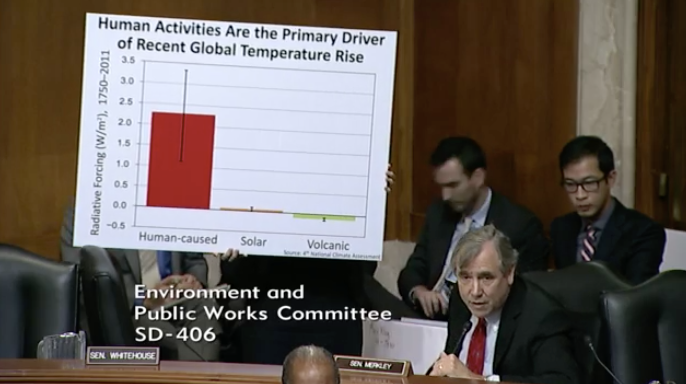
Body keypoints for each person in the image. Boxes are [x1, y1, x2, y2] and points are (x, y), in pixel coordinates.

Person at [217, 167, 395, 364]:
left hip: (335, 315)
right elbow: (236, 276)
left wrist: (372, 196)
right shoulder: (254, 180)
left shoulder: (345, 175)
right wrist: (232, 243)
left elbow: (366, 265)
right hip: (270, 319)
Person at [398, 137, 549, 320]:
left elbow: (522, 294)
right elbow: (414, 269)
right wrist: (419, 291)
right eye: (442, 186)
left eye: (453, 185)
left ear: (478, 177)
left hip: (479, 320)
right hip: (429, 316)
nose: (446, 196)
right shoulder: (439, 213)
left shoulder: (519, 225)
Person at [60, 203, 222, 361]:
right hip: (127, 310)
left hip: (177, 302)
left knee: (206, 308)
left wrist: (193, 280)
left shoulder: (177, 202)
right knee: (175, 338)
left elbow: (194, 260)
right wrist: (143, 300)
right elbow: (82, 280)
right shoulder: (87, 210)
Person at [429, 225, 580, 384]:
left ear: (509, 274)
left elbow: (563, 381)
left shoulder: (541, 317)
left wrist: (479, 381)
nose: (474, 291)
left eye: (486, 278)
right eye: (465, 277)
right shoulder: (460, 301)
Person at [550, 136, 666, 284]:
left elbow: (638, 297)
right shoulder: (561, 228)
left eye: (589, 183)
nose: (580, 195)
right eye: (570, 184)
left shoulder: (643, 231)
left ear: (610, 179)